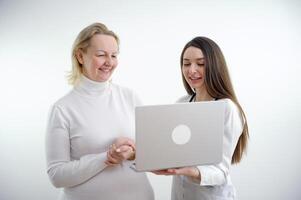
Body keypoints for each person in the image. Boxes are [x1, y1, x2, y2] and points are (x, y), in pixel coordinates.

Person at [45, 22, 154, 200]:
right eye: (101, 55)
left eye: (114, 55)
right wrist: (107, 157)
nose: (109, 62)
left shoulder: (129, 97)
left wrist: (132, 153)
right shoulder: (62, 109)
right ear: (80, 56)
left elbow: (154, 150)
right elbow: (57, 175)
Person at [153, 36, 249, 200]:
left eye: (201, 63)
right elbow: (170, 149)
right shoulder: (181, 104)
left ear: (214, 66)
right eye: (186, 63)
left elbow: (220, 172)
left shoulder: (227, 108)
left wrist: (191, 171)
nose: (191, 70)